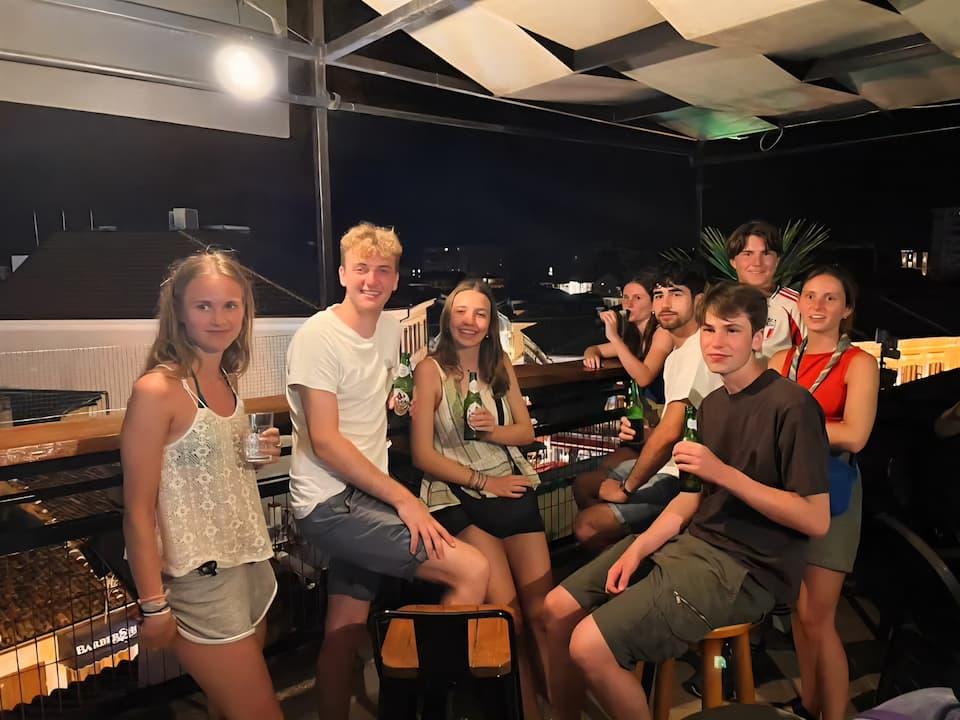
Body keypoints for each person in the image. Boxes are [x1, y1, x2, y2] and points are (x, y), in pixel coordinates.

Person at [543, 282, 831, 720]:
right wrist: (638, 548)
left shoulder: (792, 407)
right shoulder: (712, 405)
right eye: (710, 330)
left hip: (745, 568)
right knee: (554, 609)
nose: (717, 343)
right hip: (693, 545)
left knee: (589, 645)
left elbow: (816, 519)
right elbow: (688, 499)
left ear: (757, 338)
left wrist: (724, 474)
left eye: (732, 331)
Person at [286, 223, 489, 720]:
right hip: (331, 502)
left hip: (364, 495)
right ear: (342, 274)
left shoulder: (385, 331)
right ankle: (429, 707)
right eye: (361, 269)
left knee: (346, 626)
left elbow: (383, 394)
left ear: (396, 279)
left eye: (382, 271)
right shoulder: (317, 336)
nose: (371, 280)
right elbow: (327, 441)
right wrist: (404, 497)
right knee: (471, 568)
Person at [121, 250, 283, 719]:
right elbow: (138, 509)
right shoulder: (158, 390)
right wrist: (153, 606)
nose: (219, 318)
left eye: (230, 306)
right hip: (198, 578)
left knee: (227, 708)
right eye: (204, 306)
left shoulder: (229, 380)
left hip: (247, 563)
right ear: (179, 313)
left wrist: (255, 458)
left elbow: (209, 477)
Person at [412, 279, 552, 720]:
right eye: (462, 312)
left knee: (543, 616)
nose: (470, 322)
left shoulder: (500, 363)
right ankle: (515, 709)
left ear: (491, 323)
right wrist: (482, 481)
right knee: (506, 616)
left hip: (512, 487)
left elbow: (526, 432)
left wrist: (491, 430)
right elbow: (422, 455)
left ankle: (553, 704)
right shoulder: (429, 370)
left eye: (481, 314)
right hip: (461, 496)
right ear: (447, 317)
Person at [769, 266, 879, 720]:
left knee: (819, 617)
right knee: (799, 611)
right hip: (788, 493)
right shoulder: (781, 361)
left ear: (847, 309)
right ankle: (810, 702)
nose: (817, 306)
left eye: (830, 298)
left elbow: (855, 436)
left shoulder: (859, 364)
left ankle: (834, 713)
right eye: (811, 296)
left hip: (833, 495)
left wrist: (795, 429)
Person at [573, 262, 721, 551]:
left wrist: (627, 490)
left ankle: (632, 568)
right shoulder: (678, 352)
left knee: (587, 524)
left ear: (699, 300)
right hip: (668, 463)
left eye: (676, 294)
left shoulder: (699, 350)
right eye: (659, 295)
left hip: (684, 478)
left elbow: (670, 434)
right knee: (585, 483)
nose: (664, 303)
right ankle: (629, 554)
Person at [576, 271, 674, 509]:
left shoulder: (662, 333)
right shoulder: (632, 337)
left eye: (637, 298)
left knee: (590, 483)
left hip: (661, 434)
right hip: (641, 430)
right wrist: (592, 354)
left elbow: (643, 376)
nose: (628, 303)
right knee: (591, 479)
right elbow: (594, 349)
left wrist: (614, 339)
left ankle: (610, 527)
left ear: (653, 304)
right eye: (626, 297)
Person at [726, 219, 804, 358]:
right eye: (748, 254)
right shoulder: (719, 303)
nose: (757, 263)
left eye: (766, 254)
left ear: (777, 260)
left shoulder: (796, 305)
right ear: (733, 262)